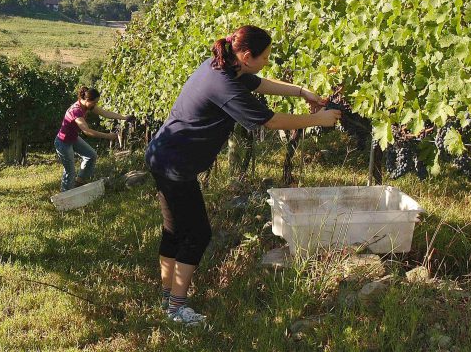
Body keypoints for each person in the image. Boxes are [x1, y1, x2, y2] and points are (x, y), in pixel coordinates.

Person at [145, 25, 341, 325]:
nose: (268, 61)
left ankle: (166, 296)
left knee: (174, 230)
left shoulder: (223, 66)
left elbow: (261, 84)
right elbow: (270, 120)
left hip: (163, 153)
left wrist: (301, 91)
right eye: (265, 56)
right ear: (247, 56)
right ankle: (176, 308)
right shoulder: (225, 85)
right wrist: (318, 119)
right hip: (176, 166)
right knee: (197, 234)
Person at [54, 86, 134, 192]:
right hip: (63, 142)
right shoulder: (76, 111)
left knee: (91, 155)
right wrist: (108, 136)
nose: (95, 105)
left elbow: (105, 113)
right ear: (87, 100)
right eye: (94, 102)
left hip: (73, 138)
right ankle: (65, 195)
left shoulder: (87, 106)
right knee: (70, 171)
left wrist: (124, 117)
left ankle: (79, 182)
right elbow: (87, 131)